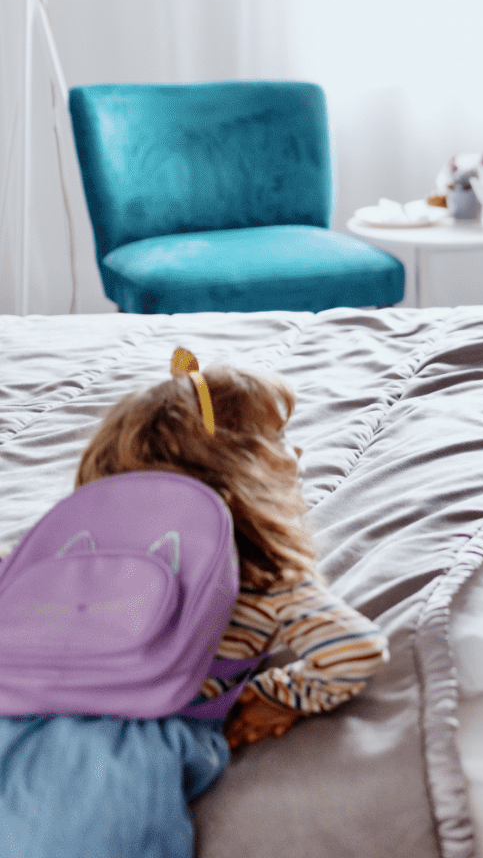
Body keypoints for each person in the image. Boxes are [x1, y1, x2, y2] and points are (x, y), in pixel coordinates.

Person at [0, 353, 389, 857]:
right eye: (277, 439)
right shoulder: (266, 579)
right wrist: (279, 695)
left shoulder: (76, 551)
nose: (296, 452)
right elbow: (354, 651)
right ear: (243, 468)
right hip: (135, 741)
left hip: (18, 709)